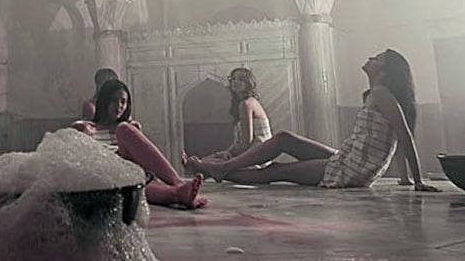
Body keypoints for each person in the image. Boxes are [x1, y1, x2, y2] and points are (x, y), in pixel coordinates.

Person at [185, 50, 441, 192]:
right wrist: (405, 179)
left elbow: (403, 135)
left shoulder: (382, 94)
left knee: (275, 172)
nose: (371, 58)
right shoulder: (376, 95)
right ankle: (219, 167)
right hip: (350, 159)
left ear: (384, 71)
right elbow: (391, 138)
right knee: (285, 138)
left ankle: (219, 169)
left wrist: (417, 181)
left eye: (377, 59)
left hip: (352, 171)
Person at [72, 79, 207, 209]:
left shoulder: (130, 127)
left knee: (127, 140)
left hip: (129, 168)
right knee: (126, 178)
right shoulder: (85, 126)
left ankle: (178, 188)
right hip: (104, 169)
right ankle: (177, 192)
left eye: (123, 102)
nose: (119, 106)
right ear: (103, 101)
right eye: (114, 100)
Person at [182, 67, 272, 174]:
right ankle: (193, 166)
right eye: (233, 79)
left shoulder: (247, 104)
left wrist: (229, 155)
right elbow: (241, 142)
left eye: (240, 79)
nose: (235, 82)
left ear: (249, 83)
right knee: (207, 161)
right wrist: (226, 152)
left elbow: (246, 142)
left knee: (208, 165)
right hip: (251, 152)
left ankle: (193, 167)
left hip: (258, 156)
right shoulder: (243, 104)